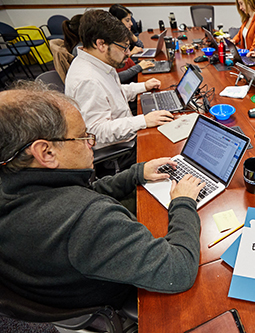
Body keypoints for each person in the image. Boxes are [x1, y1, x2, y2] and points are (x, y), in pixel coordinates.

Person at [0, 80, 205, 311]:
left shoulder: (13, 182)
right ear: (46, 152)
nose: (91, 143)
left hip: (62, 281)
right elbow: (178, 271)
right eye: (82, 136)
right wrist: (183, 202)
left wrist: (136, 173)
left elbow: (81, 193)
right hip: (119, 294)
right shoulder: (87, 220)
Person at [65, 10, 173, 151]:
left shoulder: (98, 63)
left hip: (125, 130)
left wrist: (143, 86)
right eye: (124, 47)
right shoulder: (88, 80)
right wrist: (143, 121)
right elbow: (96, 132)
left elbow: (111, 94)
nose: (128, 53)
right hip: (120, 147)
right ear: (101, 44)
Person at [109, 4, 155, 83]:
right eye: (127, 20)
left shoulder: (124, 35)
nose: (131, 23)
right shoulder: (111, 43)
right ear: (117, 22)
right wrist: (138, 66)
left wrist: (129, 33)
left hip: (133, 74)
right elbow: (115, 77)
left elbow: (140, 45)